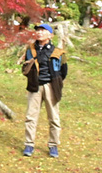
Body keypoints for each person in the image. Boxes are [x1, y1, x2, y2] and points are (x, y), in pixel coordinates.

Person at [21, 22, 67, 159]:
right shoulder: (30, 50)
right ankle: (29, 144)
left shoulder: (58, 52)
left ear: (50, 35)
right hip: (34, 86)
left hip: (51, 87)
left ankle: (53, 145)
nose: (39, 32)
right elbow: (25, 67)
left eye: (42, 30)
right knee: (31, 117)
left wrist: (56, 82)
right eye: (38, 30)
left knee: (54, 118)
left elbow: (64, 71)